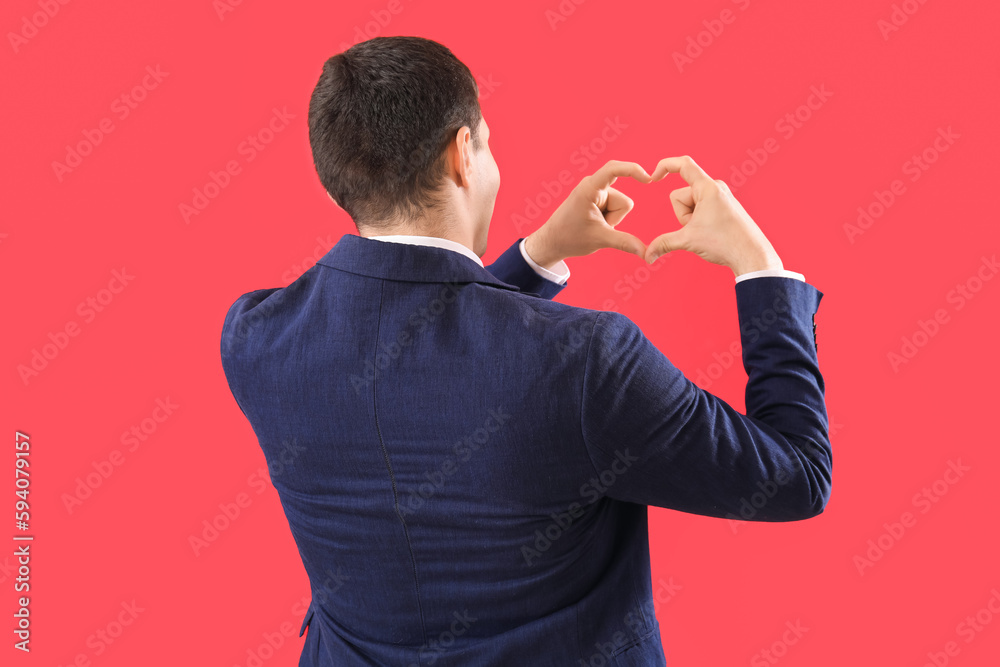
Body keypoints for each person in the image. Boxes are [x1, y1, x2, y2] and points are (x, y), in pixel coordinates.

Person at [220, 35, 831, 667]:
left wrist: (541, 253)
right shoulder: (590, 362)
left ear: (335, 187)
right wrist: (761, 270)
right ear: (463, 154)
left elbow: (420, 361)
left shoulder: (255, 338)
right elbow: (796, 477)